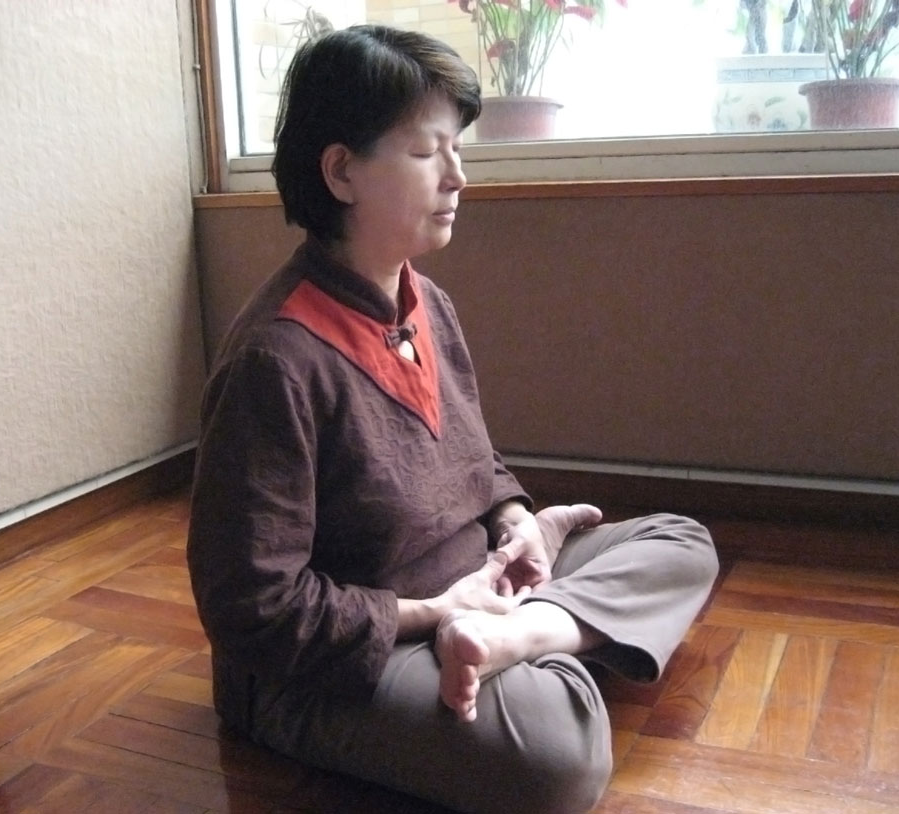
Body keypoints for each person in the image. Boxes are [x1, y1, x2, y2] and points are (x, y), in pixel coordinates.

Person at [187, 24, 719, 814]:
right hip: (331, 662)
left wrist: (518, 524)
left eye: (457, 149)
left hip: (474, 589)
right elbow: (254, 610)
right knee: (559, 759)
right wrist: (436, 613)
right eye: (426, 151)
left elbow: (472, 461)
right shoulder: (274, 360)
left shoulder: (427, 303)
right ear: (341, 171)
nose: (458, 176)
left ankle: (524, 638)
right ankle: (543, 641)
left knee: (682, 542)